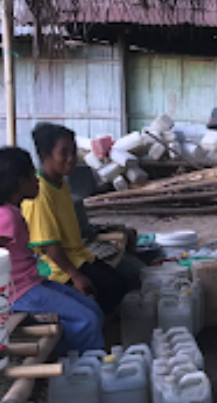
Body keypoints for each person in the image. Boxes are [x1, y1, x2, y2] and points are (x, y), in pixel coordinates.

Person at [0, 147, 105, 353]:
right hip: (19, 292)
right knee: (88, 320)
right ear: (21, 182)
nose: (37, 179)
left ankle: (71, 358)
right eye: (32, 175)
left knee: (93, 310)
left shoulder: (14, 211)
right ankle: (88, 370)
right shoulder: (7, 217)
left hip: (32, 282)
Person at [22, 122, 129, 314]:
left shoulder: (60, 183)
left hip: (77, 255)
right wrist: (76, 276)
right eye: (63, 153)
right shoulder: (39, 192)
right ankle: (91, 334)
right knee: (110, 289)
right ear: (46, 156)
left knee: (120, 281)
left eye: (73, 152)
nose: (71, 159)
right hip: (54, 266)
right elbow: (51, 247)